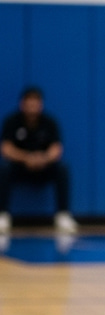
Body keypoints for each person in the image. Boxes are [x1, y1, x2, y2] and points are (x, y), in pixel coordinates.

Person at [0, 86, 78, 235]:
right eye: (29, 103)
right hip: (20, 168)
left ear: (40, 104)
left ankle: (63, 215)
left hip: (43, 167)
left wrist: (43, 159)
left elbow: (57, 149)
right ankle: (2, 215)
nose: (32, 107)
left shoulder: (49, 122)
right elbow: (6, 149)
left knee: (62, 168)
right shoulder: (12, 121)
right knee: (3, 168)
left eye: (35, 104)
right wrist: (26, 158)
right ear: (22, 104)